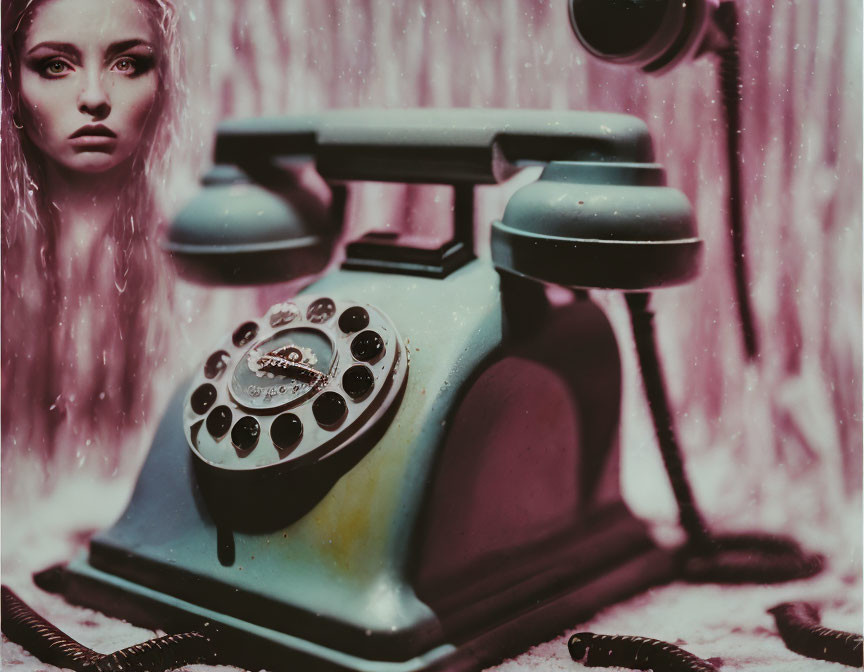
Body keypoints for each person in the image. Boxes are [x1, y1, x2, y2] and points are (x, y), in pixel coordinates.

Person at [1, 0, 186, 473]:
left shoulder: (198, 249)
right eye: (55, 65)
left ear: (164, 78)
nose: (94, 97)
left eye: (128, 63)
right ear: (12, 83)